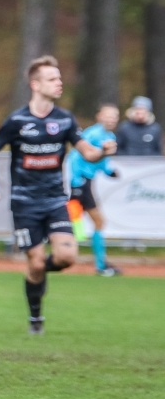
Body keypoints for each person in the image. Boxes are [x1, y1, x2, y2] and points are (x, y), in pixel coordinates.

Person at [0, 56, 116, 335]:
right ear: (35, 84)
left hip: (55, 201)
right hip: (24, 204)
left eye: (59, 78)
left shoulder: (64, 119)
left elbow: (87, 152)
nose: (59, 82)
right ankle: (35, 317)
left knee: (67, 258)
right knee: (37, 261)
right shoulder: (17, 120)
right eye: (53, 79)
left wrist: (102, 151)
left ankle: (37, 271)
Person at [67, 105, 122, 277]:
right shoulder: (93, 134)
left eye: (114, 116)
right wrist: (76, 183)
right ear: (99, 116)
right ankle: (99, 265)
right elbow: (76, 156)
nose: (111, 119)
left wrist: (109, 172)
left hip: (86, 182)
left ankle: (100, 263)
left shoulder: (110, 137)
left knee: (85, 223)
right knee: (92, 222)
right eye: (108, 115)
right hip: (80, 182)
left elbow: (101, 162)